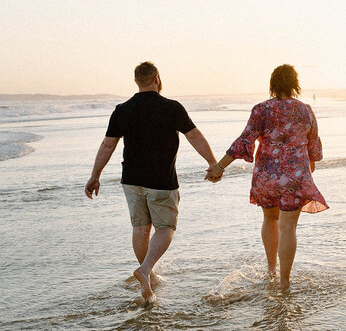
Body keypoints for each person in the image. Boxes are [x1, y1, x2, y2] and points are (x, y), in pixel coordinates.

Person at [84, 61, 220, 304]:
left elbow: (108, 144)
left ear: (136, 81)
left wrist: (95, 176)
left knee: (140, 228)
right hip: (161, 181)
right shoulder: (172, 107)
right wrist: (213, 163)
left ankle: (149, 275)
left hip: (131, 181)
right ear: (157, 78)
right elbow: (194, 135)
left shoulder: (122, 109)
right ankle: (146, 270)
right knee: (166, 228)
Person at [208, 64, 327, 290]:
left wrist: (219, 167)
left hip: (268, 177)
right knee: (289, 228)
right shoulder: (305, 110)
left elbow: (245, 140)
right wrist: (307, 169)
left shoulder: (261, 109)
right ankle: (284, 281)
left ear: (272, 84)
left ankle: (271, 270)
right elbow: (314, 147)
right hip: (295, 176)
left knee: (270, 219)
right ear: (295, 84)